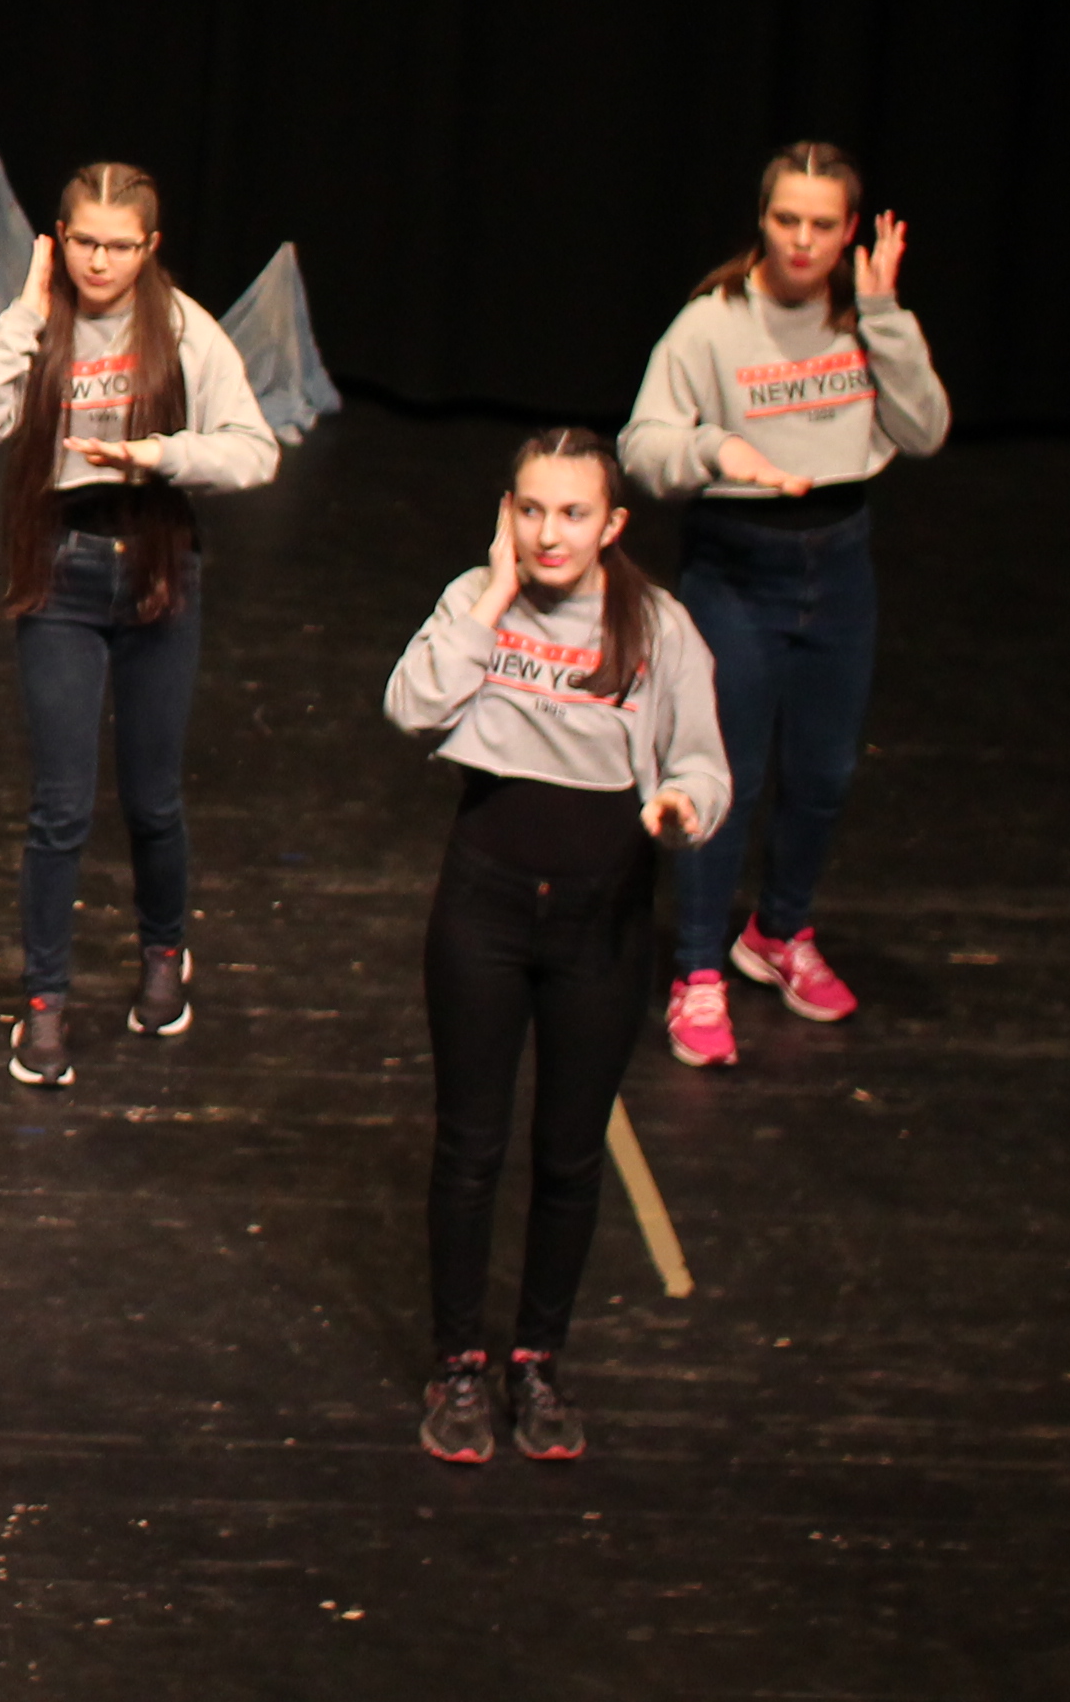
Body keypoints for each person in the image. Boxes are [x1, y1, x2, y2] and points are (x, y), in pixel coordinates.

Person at [382, 428, 729, 1465]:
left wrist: (683, 807)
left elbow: (704, 763)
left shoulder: (657, 626)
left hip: (600, 918)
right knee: (470, 1145)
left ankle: (536, 1360)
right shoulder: (475, 601)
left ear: (612, 524)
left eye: (573, 513)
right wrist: (492, 595)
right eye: (531, 509)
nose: (549, 532)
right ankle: (459, 1365)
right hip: (483, 909)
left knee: (570, 1152)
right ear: (508, 513)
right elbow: (410, 706)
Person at [0, 161, 276, 1085]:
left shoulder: (183, 328)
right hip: (62, 568)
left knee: (152, 796)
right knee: (59, 805)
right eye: (84, 241)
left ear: (149, 247)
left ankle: (164, 952)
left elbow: (255, 453)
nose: (99, 261)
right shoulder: (40, 323)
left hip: (157, 567)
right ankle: (45, 1002)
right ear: (60, 238)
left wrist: (159, 456)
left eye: (120, 246)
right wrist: (24, 316)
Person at [621, 143, 948, 1070]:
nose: (802, 240)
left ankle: (778, 933)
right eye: (786, 219)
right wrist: (715, 451)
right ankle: (697, 969)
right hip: (738, 567)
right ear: (762, 221)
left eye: (822, 224)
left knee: (825, 772)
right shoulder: (712, 324)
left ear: (851, 232)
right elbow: (643, 447)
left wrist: (884, 317)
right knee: (724, 776)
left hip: (839, 568)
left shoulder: (865, 320)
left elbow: (924, 431)